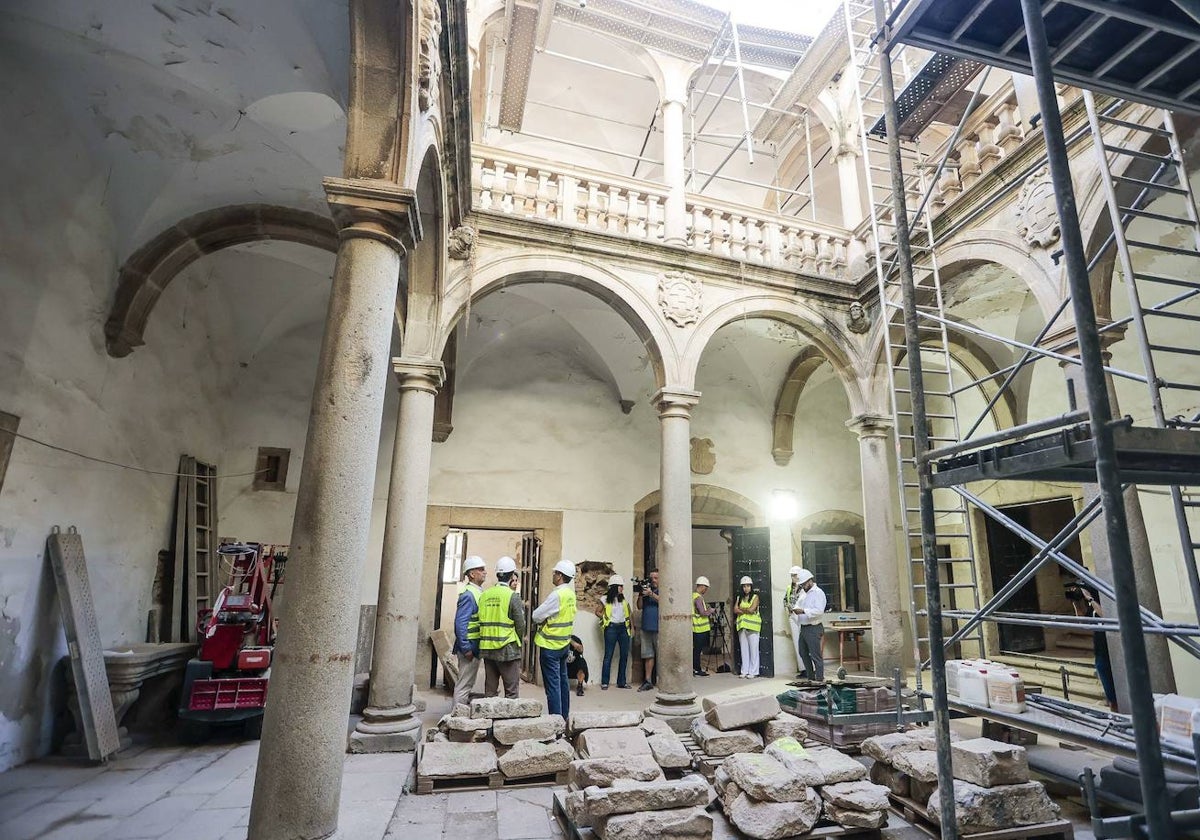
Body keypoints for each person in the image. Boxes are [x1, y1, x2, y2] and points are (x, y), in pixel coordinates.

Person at [532, 559, 578, 717]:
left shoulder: (557, 595)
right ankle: (564, 717)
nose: (552, 575)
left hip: (550, 645)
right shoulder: (570, 594)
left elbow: (536, 616)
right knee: (562, 683)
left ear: (560, 576)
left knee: (553, 686)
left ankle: (555, 722)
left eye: (554, 573)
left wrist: (544, 619)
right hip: (563, 645)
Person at [477, 555, 526, 698]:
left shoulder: (485, 594)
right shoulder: (512, 596)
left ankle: (487, 719)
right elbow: (520, 624)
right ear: (512, 576)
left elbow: (481, 617)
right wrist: (518, 640)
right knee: (511, 692)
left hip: (487, 648)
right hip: (507, 648)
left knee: (490, 692)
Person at [1068, 579, 1118, 712]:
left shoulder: (1103, 604)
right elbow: (1083, 622)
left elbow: (1106, 616)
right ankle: (1114, 711)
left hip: (1112, 651)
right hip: (1100, 652)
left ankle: (1117, 715)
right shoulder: (1092, 608)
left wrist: (1090, 599)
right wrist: (1076, 602)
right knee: (1110, 693)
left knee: (1115, 696)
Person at [452, 555, 487, 707]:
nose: (484, 572)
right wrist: (466, 647)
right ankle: (456, 717)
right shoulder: (468, 595)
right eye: (481, 569)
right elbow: (460, 623)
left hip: (474, 645)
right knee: (464, 685)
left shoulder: (477, 592)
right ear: (472, 574)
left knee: (467, 683)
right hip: (469, 647)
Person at [596, 575, 633, 689]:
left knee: (624, 655)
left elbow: (630, 614)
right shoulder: (604, 599)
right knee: (608, 655)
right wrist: (606, 619)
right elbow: (598, 612)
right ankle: (605, 682)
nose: (622, 588)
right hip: (611, 628)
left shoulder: (624, 600)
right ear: (614, 587)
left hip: (623, 628)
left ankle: (621, 682)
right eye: (620, 586)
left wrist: (633, 627)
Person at [791, 568, 826, 682]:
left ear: (810, 581)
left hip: (814, 627)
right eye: (801, 584)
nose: (803, 586)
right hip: (804, 628)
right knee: (803, 653)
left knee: (815, 655)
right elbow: (797, 605)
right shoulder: (803, 594)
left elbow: (819, 610)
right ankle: (811, 677)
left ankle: (819, 678)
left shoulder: (818, 593)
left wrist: (804, 611)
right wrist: (796, 610)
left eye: (804, 584)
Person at [636, 569, 660, 691]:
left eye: (655, 578)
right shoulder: (647, 590)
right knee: (648, 655)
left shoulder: (663, 589)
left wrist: (652, 594)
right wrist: (641, 594)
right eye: (651, 578)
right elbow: (639, 606)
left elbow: (665, 602)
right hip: (646, 627)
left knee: (661, 655)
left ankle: (663, 680)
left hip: (659, 628)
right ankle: (648, 680)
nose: (653, 580)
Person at [734, 575, 761, 679]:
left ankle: (753, 671)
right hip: (742, 626)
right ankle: (744, 671)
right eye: (744, 586)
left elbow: (752, 609)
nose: (746, 588)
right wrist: (746, 609)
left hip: (753, 627)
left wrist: (741, 609)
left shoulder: (755, 597)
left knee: (753, 650)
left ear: (751, 586)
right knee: (744, 649)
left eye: (748, 586)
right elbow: (735, 610)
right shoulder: (739, 597)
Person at [784, 565, 806, 679]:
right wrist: (788, 609)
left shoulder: (804, 588)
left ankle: (809, 668)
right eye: (792, 575)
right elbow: (785, 600)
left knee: (804, 642)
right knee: (797, 643)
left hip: (802, 616)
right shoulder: (789, 588)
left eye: (795, 575)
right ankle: (802, 668)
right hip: (792, 615)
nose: (793, 577)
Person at [693, 575, 713, 676]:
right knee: (697, 650)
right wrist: (711, 610)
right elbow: (702, 613)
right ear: (702, 586)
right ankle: (697, 669)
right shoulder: (698, 598)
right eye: (706, 588)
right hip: (700, 629)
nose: (706, 590)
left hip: (695, 627)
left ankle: (695, 668)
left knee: (696, 650)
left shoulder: (692, 596)